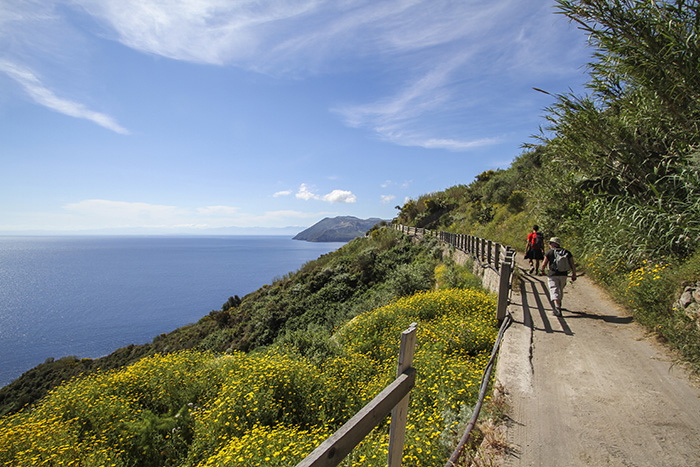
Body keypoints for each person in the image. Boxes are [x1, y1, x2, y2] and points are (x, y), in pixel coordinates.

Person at [541, 237, 577, 316]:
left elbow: (544, 263)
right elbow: (572, 264)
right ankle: (558, 304)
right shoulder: (566, 252)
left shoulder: (550, 252)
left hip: (553, 274)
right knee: (560, 289)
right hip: (564, 274)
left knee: (554, 289)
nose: (549, 244)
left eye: (551, 243)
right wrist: (574, 274)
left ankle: (557, 308)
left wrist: (542, 270)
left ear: (554, 244)